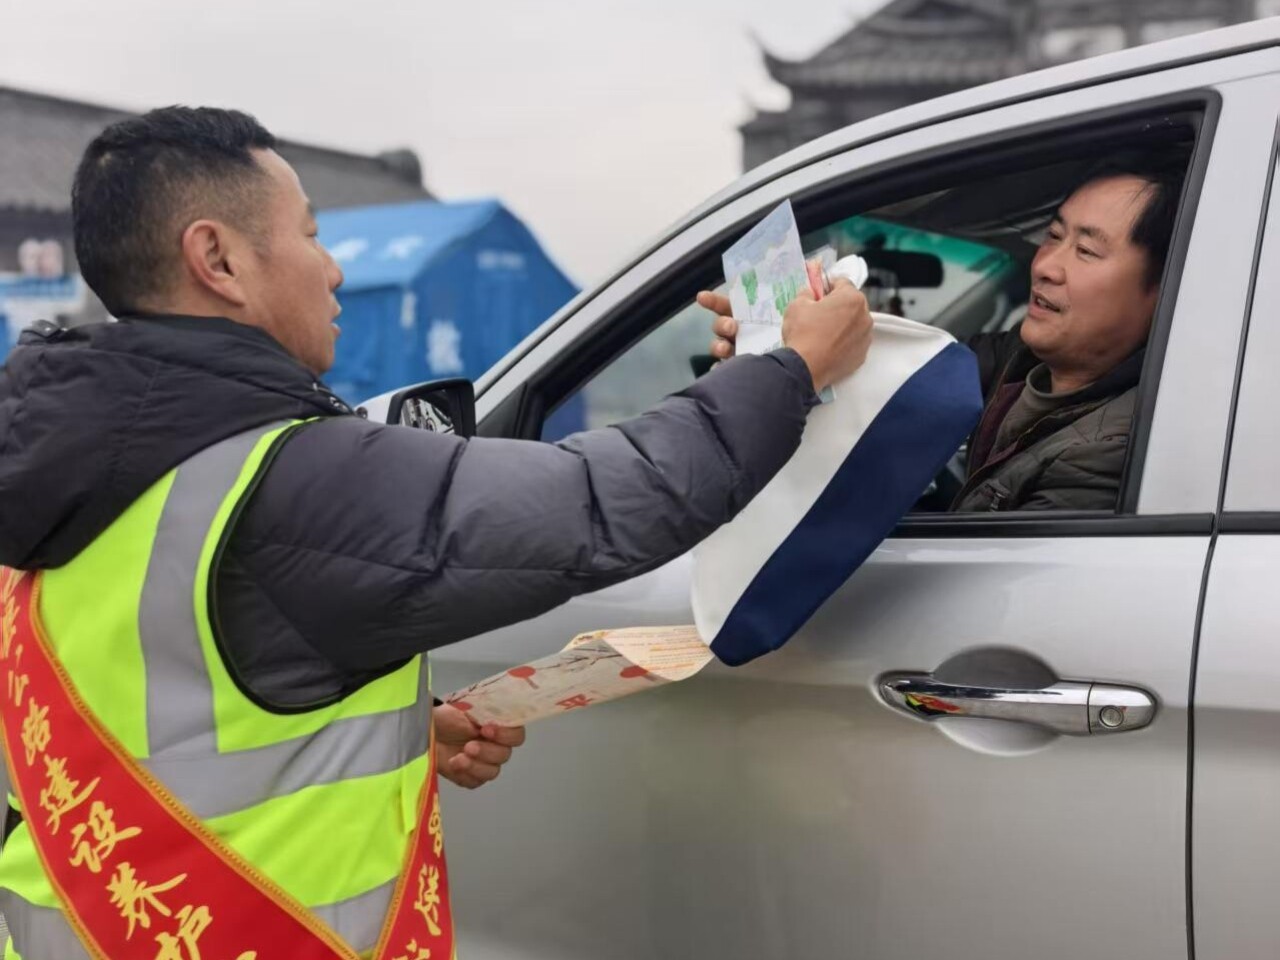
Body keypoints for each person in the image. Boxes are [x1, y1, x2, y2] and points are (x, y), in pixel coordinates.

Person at [0, 106, 872, 957]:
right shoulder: (292, 475)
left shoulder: (57, 457)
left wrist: (399, 723)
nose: (334, 271)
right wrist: (790, 369)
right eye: (310, 235)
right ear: (217, 258)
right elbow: (606, 503)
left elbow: (168, 688)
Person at [706, 154, 1184, 513]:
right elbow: (892, 372)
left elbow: (988, 587)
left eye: (1086, 252)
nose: (1045, 267)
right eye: (1054, 237)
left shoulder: (1112, 454)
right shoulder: (1016, 358)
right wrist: (782, 356)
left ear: (1162, 289)